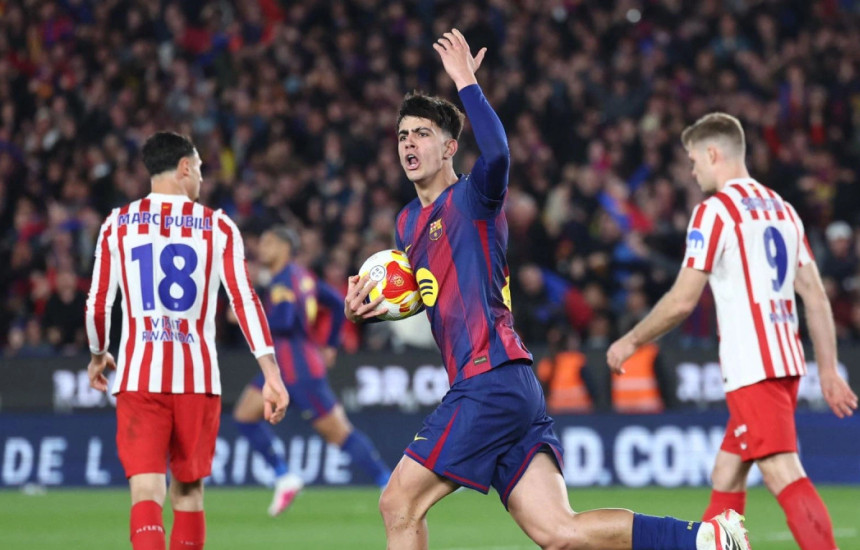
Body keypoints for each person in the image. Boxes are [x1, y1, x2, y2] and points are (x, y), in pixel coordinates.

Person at [345, 29, 751, 550]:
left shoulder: (473, 198)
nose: (408, 143)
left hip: (487, 379)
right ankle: (706, 539)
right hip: (509, 383)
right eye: (403, 135)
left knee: (398, 503)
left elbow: (498, 153)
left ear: (449, 148)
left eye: (422, 134)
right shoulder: (406, 223)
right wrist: (373, 309)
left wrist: (466, 81)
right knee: (560, 532)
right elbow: (433, 292)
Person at [607, 112, 859, 550]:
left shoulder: (714, 212)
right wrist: (828, 370)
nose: (692, 172)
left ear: (712, 153)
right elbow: (816, 297)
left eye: (693, 161)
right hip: (784, 361)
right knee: (726, 471)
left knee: (782, 471)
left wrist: (631, 339)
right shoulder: (782, 209)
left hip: (752, 366)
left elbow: (682, 300)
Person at [85, 132, 289, 550]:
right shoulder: (219, 226)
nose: (201, 178)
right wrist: (271, 373)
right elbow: (245, 300)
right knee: (190, 494)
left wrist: (98, 353)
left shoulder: (117, 224)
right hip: (197, 380)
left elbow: (98, 306)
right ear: (183, 168)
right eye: (198, 168)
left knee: (146, 491)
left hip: (139, 378)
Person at [232, 225, 391, 517]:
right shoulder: (303, 277)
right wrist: (330, 344)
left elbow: (284, 320)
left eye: (268, 242)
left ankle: (387, 482)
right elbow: (336, 303)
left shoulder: (282, 281)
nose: (261, 248)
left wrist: (248, 314)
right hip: (285, 367)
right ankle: (284, 477)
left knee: (340, 434)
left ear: (284, 247)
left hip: (298, 370)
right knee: (244, 415)